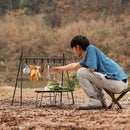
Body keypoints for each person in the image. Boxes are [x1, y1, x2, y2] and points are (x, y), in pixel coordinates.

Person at [53, 35, 128, 110]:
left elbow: (92, 69)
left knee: (81, 72)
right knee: (86, 72)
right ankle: (101, 101)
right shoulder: (89, 57)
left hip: (117, 83)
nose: (74, 51)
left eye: (73, 48)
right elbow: (74, 65)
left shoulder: (90, 49)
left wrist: (85, 67)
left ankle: (95, 100)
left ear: (78, 47)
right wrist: (61, 68)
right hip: (119, 83)